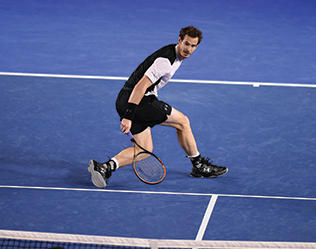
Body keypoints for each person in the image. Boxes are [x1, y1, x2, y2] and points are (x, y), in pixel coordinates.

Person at [88, 26, 227, 188]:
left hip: (125, 99)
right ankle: (199, 166)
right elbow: (140, 87)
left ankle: (105, 167)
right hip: (138, 101)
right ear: (179, 40)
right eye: (186, 44)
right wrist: (128, 116)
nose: (188, 49)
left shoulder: (174, 55)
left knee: (144, 150)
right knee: (182, 122)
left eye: (193, 46)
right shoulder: (165, 62)